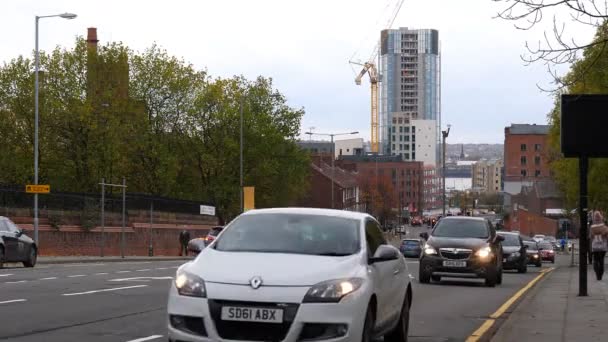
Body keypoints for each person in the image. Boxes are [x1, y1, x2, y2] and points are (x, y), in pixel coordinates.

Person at [590, 211, 608, 280]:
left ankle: (597, 274)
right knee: (601, 261)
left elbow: (591, 237)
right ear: (601, 218)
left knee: (595, 260)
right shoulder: (605, 227)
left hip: (595, 246)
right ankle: (600, 275)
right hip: (603, 246)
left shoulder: (592, 227)